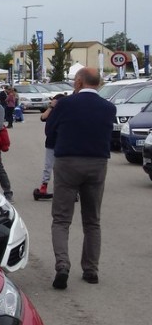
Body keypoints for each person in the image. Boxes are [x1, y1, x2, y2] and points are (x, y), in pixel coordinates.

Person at [45, 67, 115, 290]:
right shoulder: (109, 107)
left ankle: (63, 265)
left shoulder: (65, 104)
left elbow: (50, 131)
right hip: (97, 164)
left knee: (62, 219)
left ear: (79, 82)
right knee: (92, 220)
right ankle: (91, 270)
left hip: (68, 162)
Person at [35, 93, 66, 200]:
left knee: (62, 167)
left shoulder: (66, 112)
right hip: (51, 142)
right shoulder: (51, 111)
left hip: (63, 143)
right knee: (48, 166)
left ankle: (66, 189)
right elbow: (43, 117)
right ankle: (44, 186)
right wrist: (51, 107)